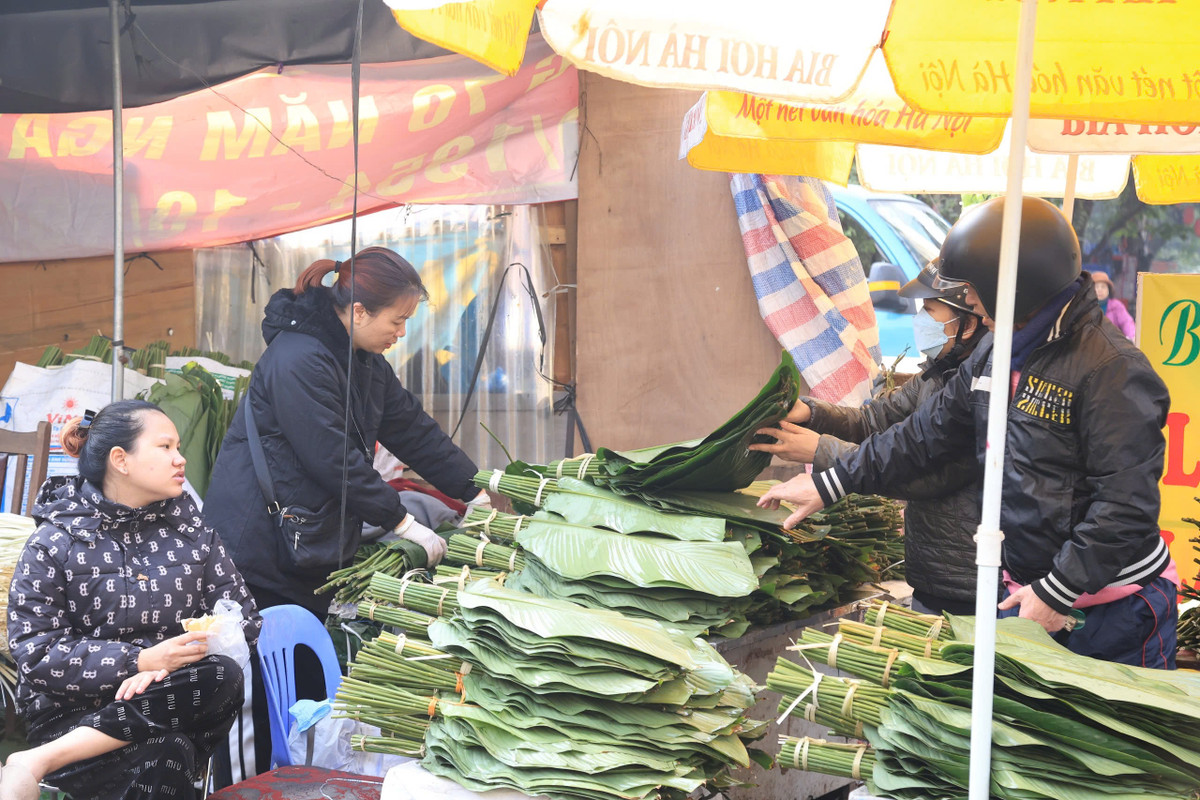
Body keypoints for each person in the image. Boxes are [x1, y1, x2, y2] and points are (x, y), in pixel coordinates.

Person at [758, 196, 1178, 669]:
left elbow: (1125, 507)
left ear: (1015, 286)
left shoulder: (1113, 371)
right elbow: (920, 437)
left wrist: (1058, 590)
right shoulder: (994, 355)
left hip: (1113, 611)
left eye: (974, 289)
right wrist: (830, 483)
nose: (970, 302)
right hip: (1028, 595)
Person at [203, 246, 488, 778]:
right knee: (260, 696)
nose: (402, 332)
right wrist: (401, 521)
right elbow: (330, 457)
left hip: (306, 542)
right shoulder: (298, 358)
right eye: (397, 320)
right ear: (358, 311)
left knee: (299, 691)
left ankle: (294, 779)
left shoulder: (364, 363)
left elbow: (413, 430)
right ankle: (254, 784)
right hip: (258, 546)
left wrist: (476, 491)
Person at [0, 400, 261, 800]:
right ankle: (54, 752)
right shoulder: (54, 543)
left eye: (178, 447)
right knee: (167, 753)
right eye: (165, 447)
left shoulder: (193, 535)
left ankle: (39, 761)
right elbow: (36, 652)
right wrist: (138, 661)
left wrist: (164, 669)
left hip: (173, 698)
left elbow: (245, 621)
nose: (180, 459)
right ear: (120, 459)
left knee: (223, 674)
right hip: (72, 715)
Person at [750, 282, 987, 616]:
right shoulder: (937, 374)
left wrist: (822, 451)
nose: (920, 319)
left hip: (968, 580)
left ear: (968, 323)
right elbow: (875, 419)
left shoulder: (981, 388)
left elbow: (926, 475)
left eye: (930, 310)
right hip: (932, 572)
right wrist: (811, 413)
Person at [1089, 267, 1136, 339]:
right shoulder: (1086, 307)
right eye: (1096, 287)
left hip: (1112, 344)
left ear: (1109, 290)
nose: (1100, 290)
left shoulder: (1116, 306)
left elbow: (1127, 322)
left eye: (1103, 287)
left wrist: (1132, 336)